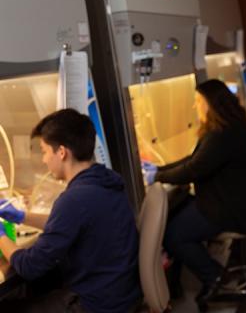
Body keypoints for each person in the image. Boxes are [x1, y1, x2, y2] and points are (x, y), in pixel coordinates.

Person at [142, 79, 246, 306]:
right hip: (237, 199)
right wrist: (159, 169)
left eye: (198, 101)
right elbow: (196, 159)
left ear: (212, 103)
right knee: (175, 216)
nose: (196, 107)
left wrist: (156, 176)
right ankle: (186, 283)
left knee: (174, 235)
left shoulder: (221, 134)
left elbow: (194, 168)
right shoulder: (230, 126)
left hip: (232, 207)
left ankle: (214, 276)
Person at [0, 109, 141, 313]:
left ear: (62, 152)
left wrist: (2, 236)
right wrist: (22, 216)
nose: (44, 160)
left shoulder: (75, 199)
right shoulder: (104, 181)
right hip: (120, 293)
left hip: (96, 304)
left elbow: (30, 266)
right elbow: (72, 222)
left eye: (45, 151)